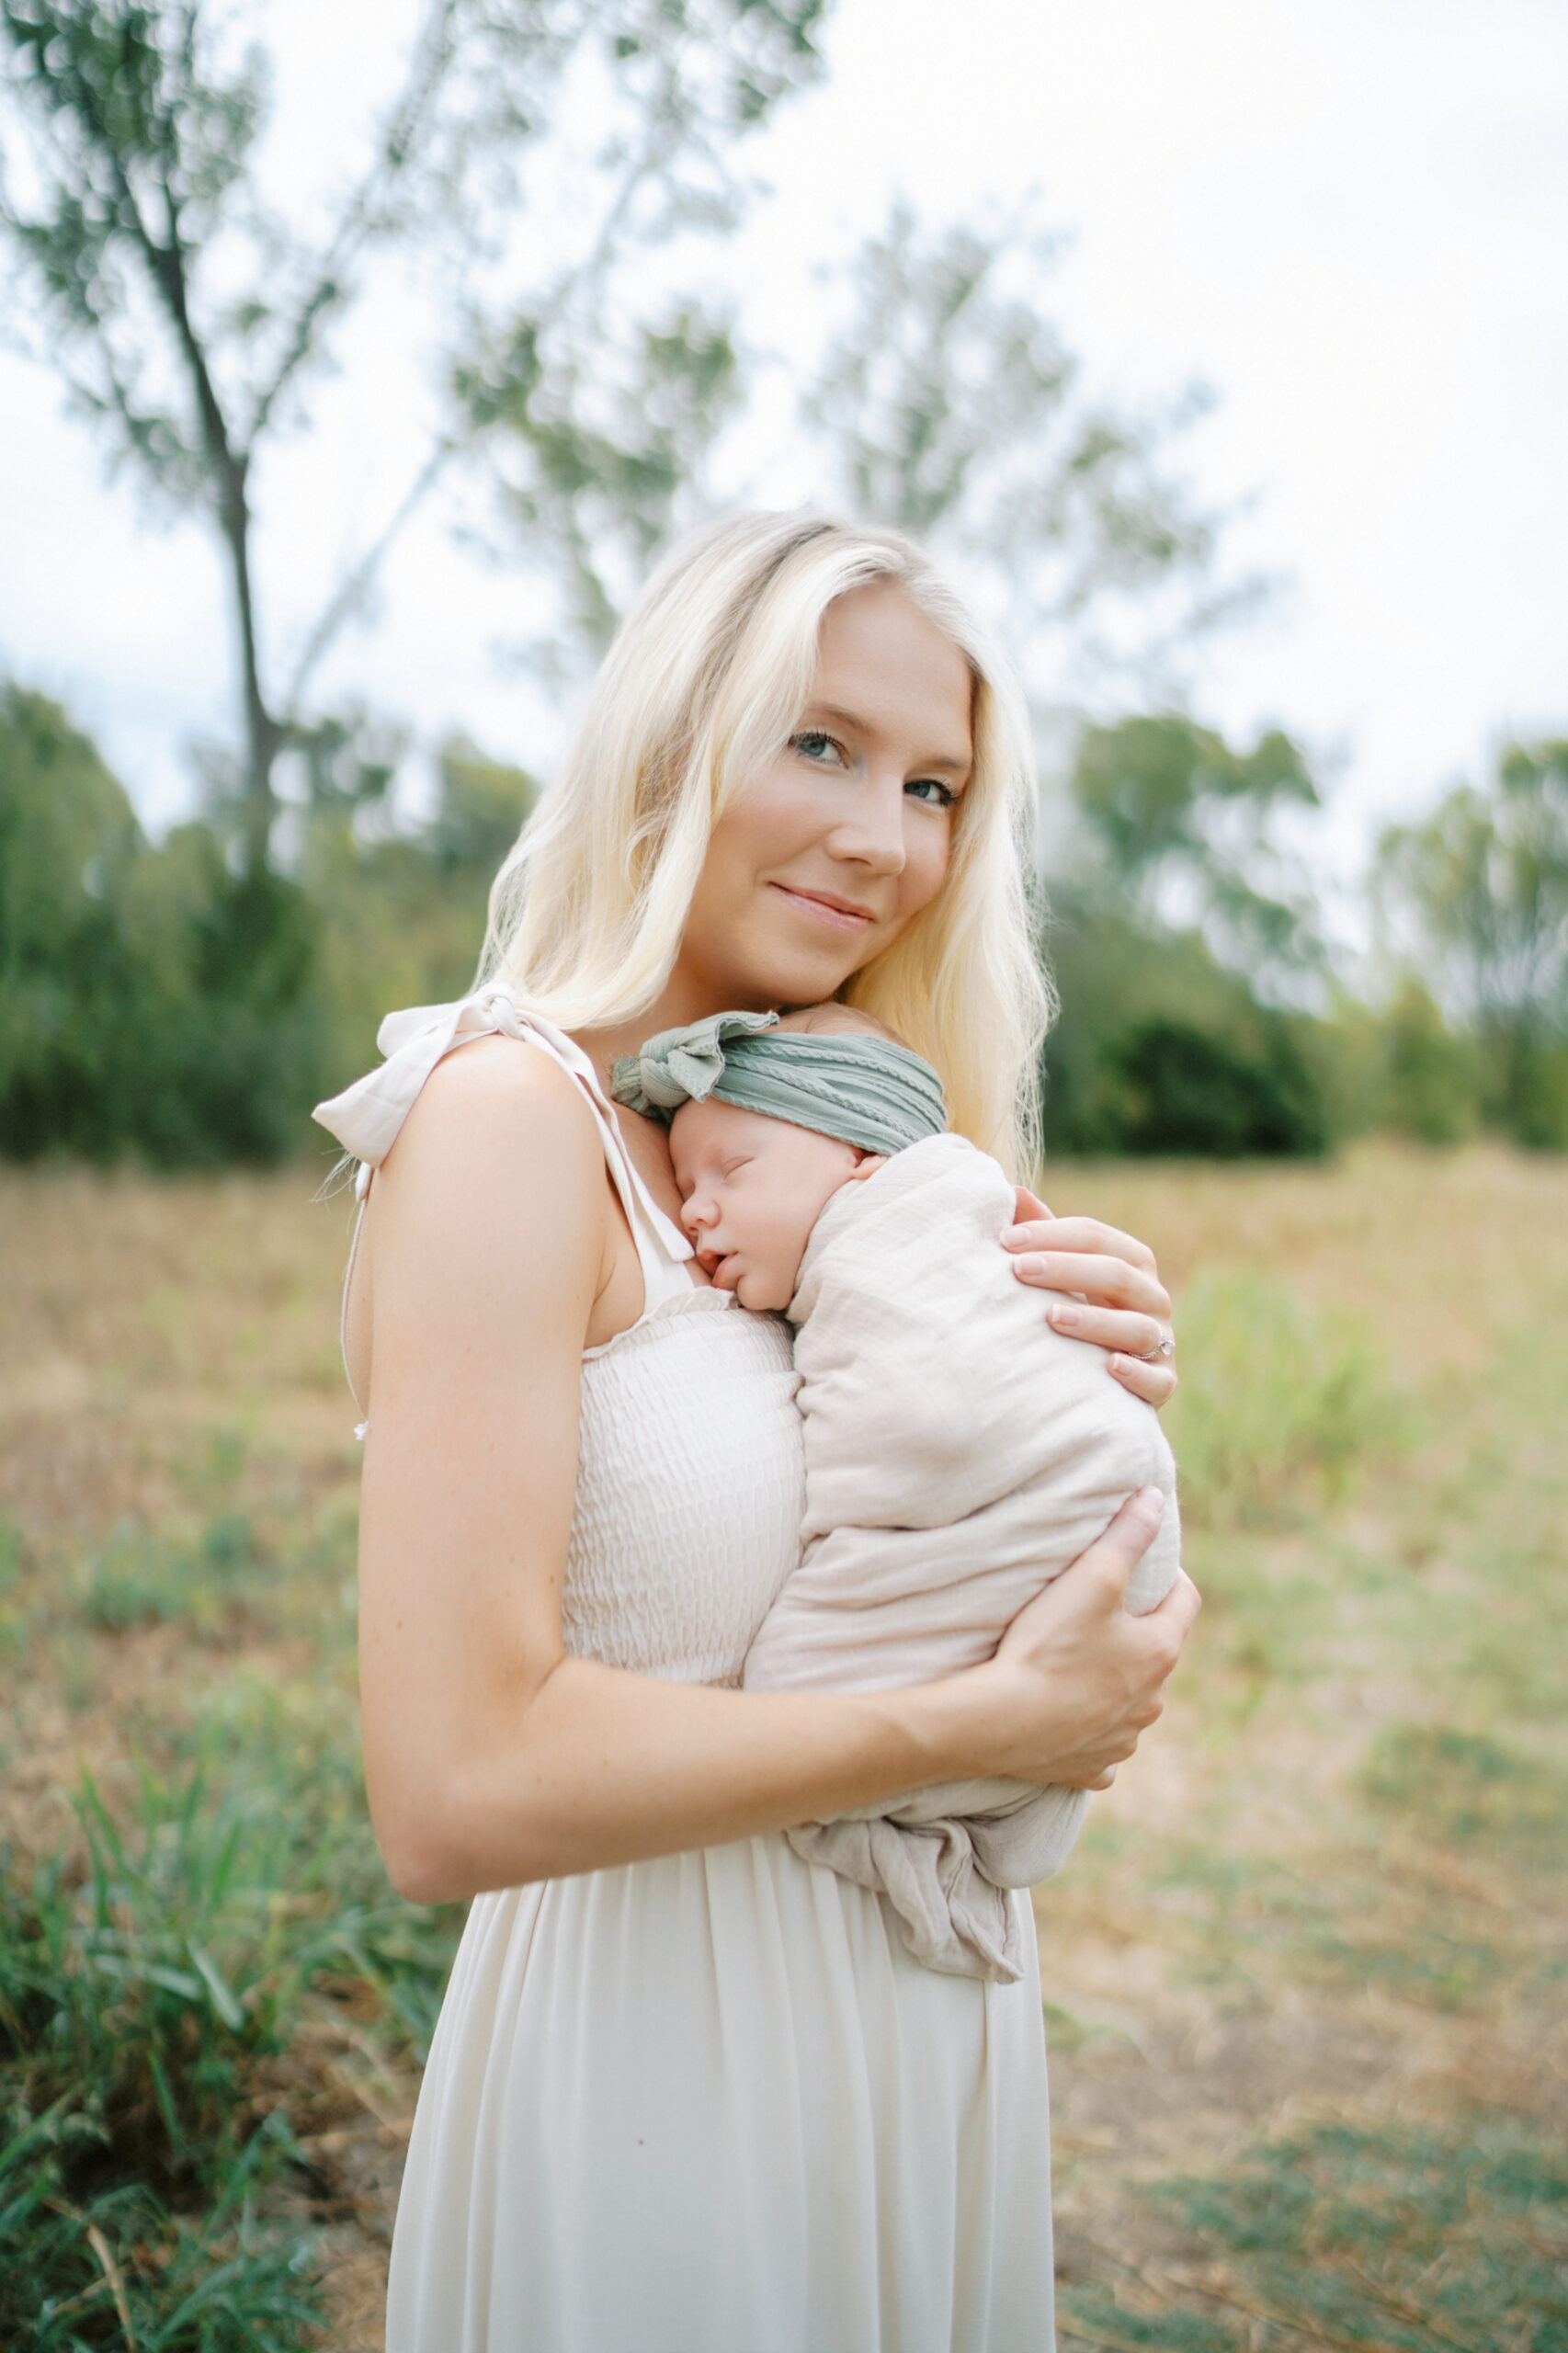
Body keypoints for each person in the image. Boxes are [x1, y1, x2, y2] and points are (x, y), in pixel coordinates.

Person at [313, 510, 1199, 2353]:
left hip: (917, 2034)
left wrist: (1052, 1381)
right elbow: (451, 1781)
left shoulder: (851, 1152)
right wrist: (988, 1723)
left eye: (937, 782)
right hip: (670, 2060)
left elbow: (922, 1528)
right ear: (668, 741)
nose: (887, 837)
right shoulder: (506, 1124)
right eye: (822, 743)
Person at [607, 999, 1180, 1986]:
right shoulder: (820, 1269)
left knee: (793, 1682)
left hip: (1093, 1517)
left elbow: (933, 1414)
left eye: (732, 1170)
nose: (695, 1209)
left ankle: (908, 1830)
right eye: (684, 1184)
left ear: (867, 1160)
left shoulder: (914, 1227)